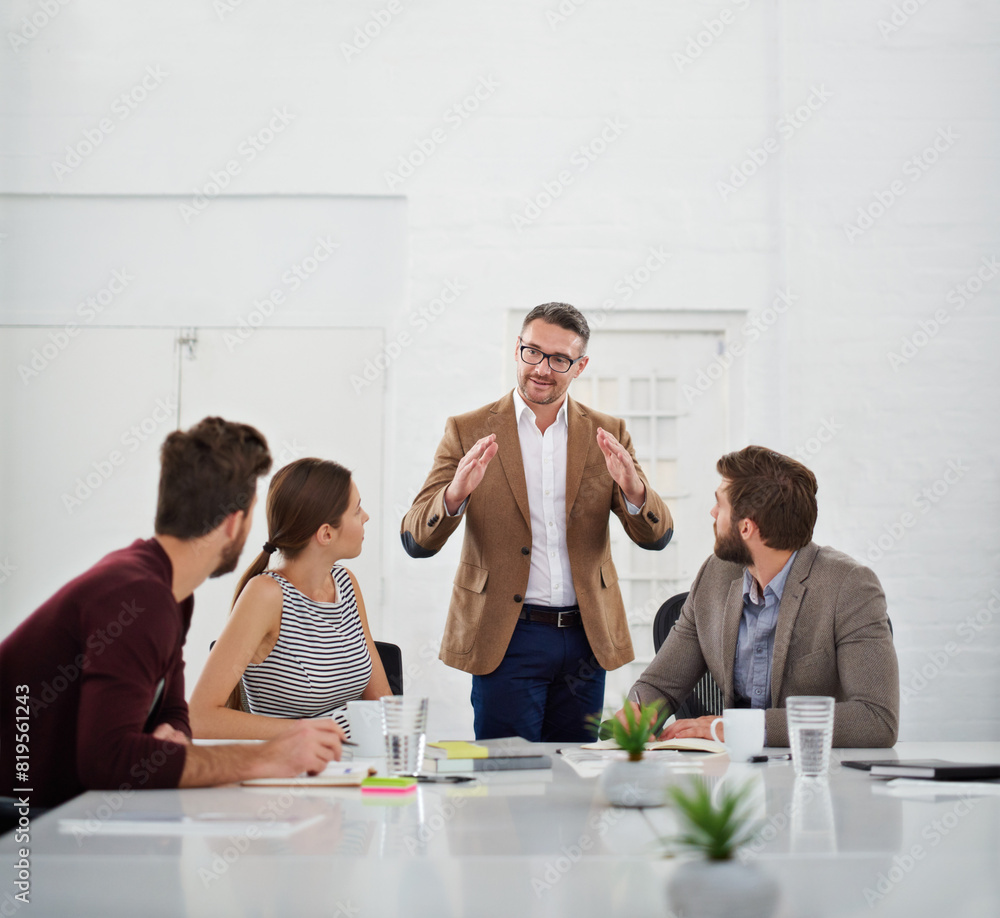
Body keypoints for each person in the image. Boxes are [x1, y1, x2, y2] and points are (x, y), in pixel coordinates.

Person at [0, 417, 345, 812]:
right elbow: (107, 760)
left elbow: (175, 713)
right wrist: (265, 757)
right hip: (19, 824)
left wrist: (171, 740)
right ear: (234, 524)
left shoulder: (168, 592)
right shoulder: (139, 597)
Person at [401, 302, 673, 742]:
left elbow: (657, 538)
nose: (542, 368)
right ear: (517, 349)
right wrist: (455, 494)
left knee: (574, 784)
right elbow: (415, 538)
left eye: (560, 359)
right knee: (506, 781)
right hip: (506, 636)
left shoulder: (608, 432)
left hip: (586, 637)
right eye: (533, 352)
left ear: (579, 365)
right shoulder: (467, 430)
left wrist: (634, 491)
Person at [621, 445, 899, 747]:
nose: (712, 514)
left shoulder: (849, 587)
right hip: (726, 777)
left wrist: (746, 728)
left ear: (746, 527)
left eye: (720, 506)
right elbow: (661, 683)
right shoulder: (715, 575)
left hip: (812, 776)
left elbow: (876, 719)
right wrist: (638, 711)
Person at [190, 458, 391, 738]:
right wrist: (312, 732)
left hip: (350, 766)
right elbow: (200, 718)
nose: (366, 516)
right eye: (357, 510)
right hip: (289, 771)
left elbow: (382, 703)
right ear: (326, 533)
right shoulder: (266, 595)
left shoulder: (345, 583)